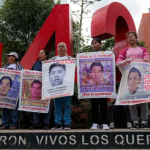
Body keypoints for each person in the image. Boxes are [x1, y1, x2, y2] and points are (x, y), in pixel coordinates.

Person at [117, 31, 149, 130]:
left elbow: (147, 60)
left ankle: (144, 121)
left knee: (144, 99)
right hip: (129, 78)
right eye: (128, 37)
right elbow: (118, 62)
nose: (130, 38)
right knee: (131, 99)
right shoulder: (125, 51)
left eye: (132, 36)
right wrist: (124, 61)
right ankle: (135, 121)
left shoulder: (143, 49)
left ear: (136, 38)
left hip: (144, 77)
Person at [51, 42, 74, 130]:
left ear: (65, 49)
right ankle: (58, 123)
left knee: (67, 105)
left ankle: (67, 123)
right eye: (58, 47)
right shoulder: (52, 60)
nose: (60, 48)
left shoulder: (70, 59)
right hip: (55, 87)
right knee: (57, 105)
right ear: (57, 49)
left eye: (62, 47)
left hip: (67, 86)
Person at [0, 52, 23, 130]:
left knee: (14, 108)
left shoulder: (20, 67)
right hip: (4, 91)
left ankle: (13, 124)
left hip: (15, 92)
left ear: (14, 57)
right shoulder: (4, 67)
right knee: (4, 107)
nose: (8, 58)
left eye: (9, 56)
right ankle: (5, 124)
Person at [90, 38, 110, 130]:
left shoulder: (106, 55)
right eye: (92, 43)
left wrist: (112, 55)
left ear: (100, 44)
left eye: (96, 43)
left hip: (103, 86)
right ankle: (95, 123)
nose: (94, 44)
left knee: (103, 104)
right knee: (94, 105)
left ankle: (105, 123)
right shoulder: (88, 56)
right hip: (92, 87)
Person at [29, 49, 51, 130]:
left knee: (46, 106)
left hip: (46, 89)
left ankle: (47, 123)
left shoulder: (49, 64)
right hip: (36, 90)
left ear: (46, 55)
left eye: (41, 53)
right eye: (39, 53)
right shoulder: (35, 64)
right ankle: (35, 123)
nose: (40, 55)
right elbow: (30, 75)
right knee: (36, 105)